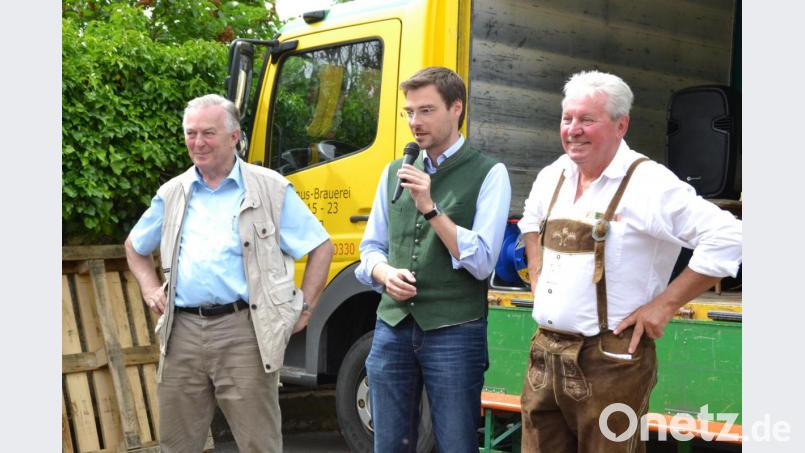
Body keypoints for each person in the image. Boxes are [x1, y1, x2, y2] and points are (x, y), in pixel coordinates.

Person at [517, 70, 742, 452]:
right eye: (567, 118)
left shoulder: (649, 183)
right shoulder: (553, 174)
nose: (573, 129)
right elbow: (529, 220)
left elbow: (730, 236)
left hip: (610, 362)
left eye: (587, 119)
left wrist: (664, 305)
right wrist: (536, 272)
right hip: (544, 358)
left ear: (622, 125)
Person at [124, 94, 333, 453]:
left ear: (234, 136)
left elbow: (320, 247)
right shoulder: (174, 192)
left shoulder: (270, 188)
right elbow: (135, 247)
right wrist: (149, 288)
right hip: (182, 332)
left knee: (259, 443)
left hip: (245, 331)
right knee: (177, 443)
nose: (198, 143)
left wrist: (306, 307)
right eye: (191, 134)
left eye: (208, 133)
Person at [355, 66, 511, 452]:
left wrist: (430, 208)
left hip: (455, 329)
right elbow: (369, 247)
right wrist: (384, 271)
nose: (414, 122)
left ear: (456, 108)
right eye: (408, 112)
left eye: (425, 111)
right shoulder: (395, 170)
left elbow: (484, 262)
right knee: (389, 444)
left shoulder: (490, 173)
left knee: (456, 443)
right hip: (392, 326)